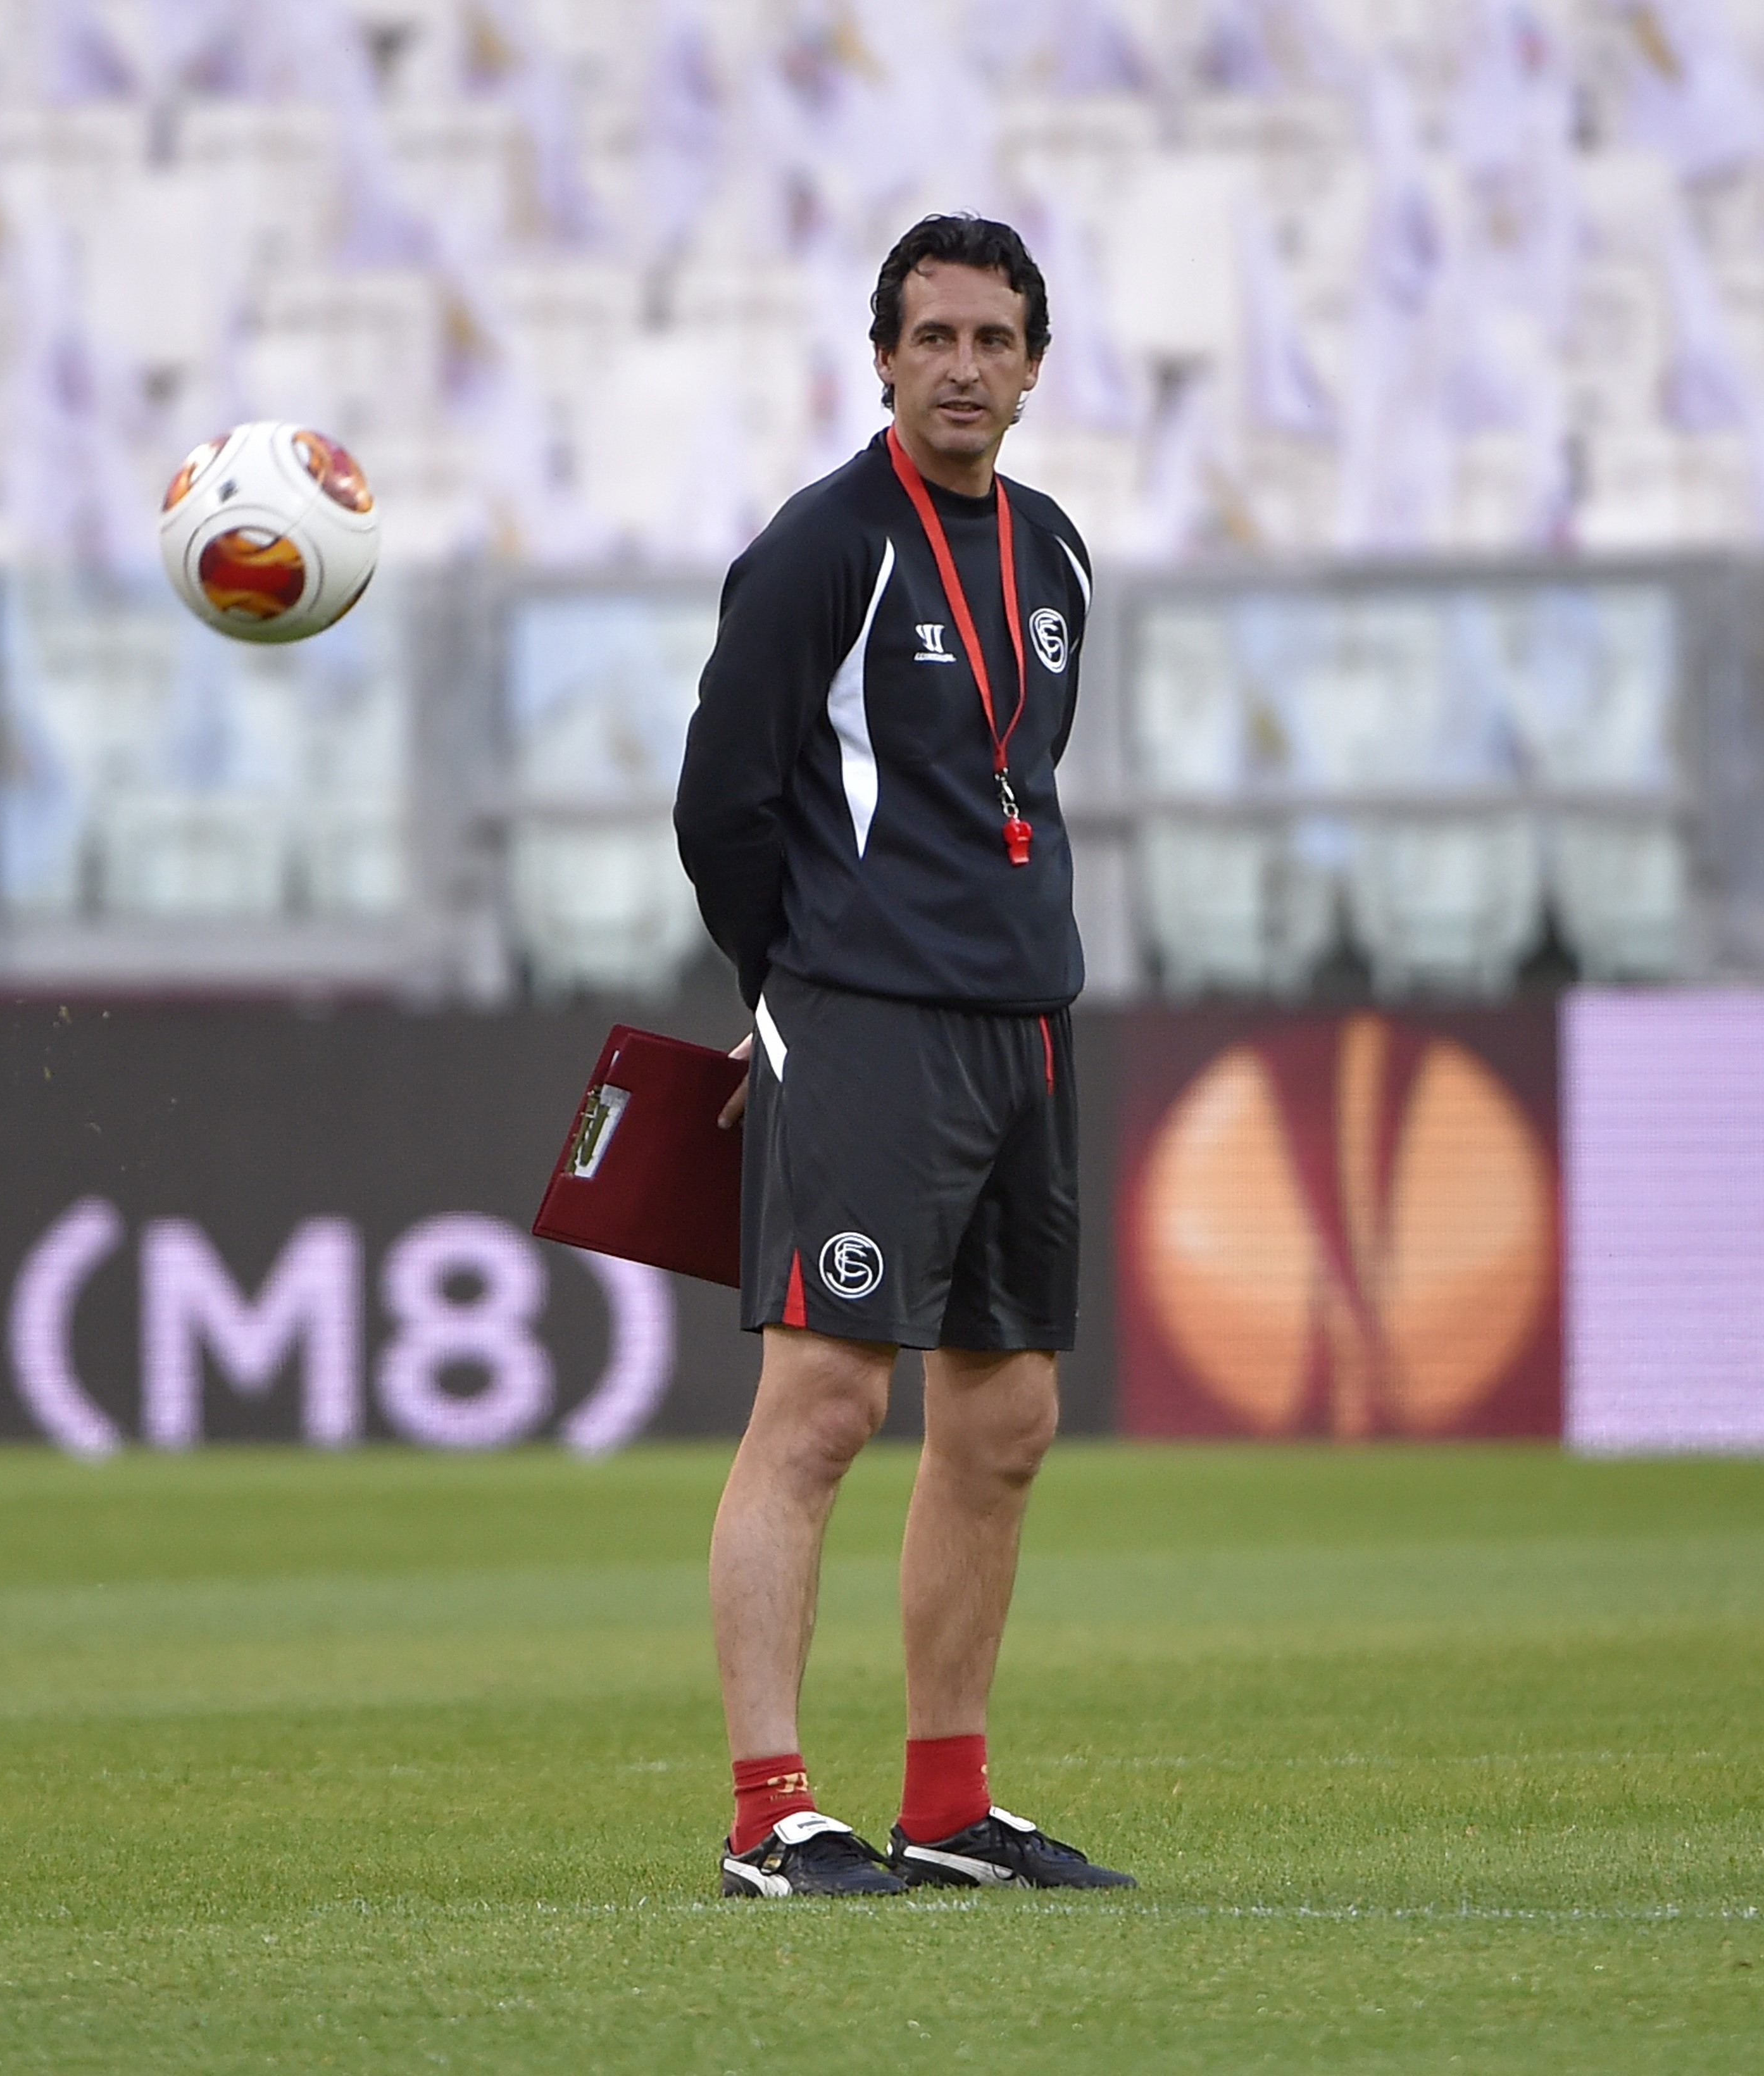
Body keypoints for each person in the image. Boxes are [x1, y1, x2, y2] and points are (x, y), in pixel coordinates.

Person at [673, 216, 1133, 1899]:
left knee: (1006, 1415)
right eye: (931, 336)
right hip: (863, 1017)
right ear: (879, 358)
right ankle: (769, 1811)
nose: (962, 366)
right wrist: (784, 986)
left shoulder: (1061, 552)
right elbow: (722, 798)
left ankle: (947, 1804)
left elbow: (1016, 779)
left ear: (1032, 366)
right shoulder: (821, 548)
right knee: (824, 1403)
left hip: (1025, 1023)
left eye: (993, 339)